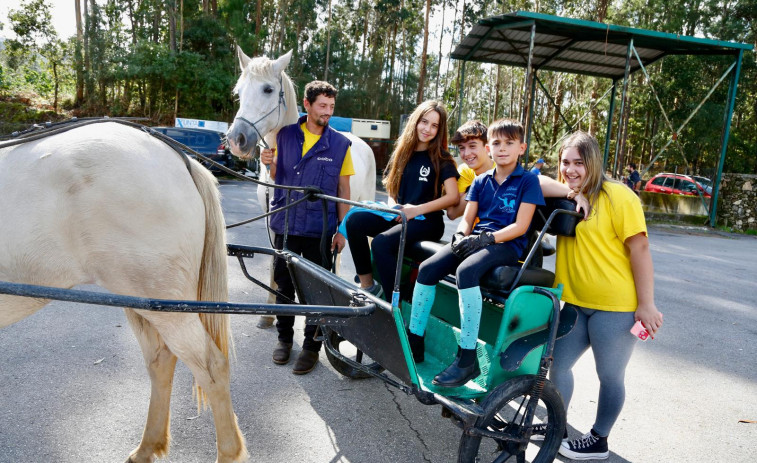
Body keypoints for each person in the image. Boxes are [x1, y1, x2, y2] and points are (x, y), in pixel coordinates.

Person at [543, 132, 664, 460]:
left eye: (578, 163)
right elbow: (531, 180)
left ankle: (598, 440)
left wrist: (646, 304)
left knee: (609, 375)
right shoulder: (566, 195)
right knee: (557, 365)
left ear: (593, 163)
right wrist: (569, 190)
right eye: (565, 162)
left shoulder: (618, 196)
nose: (570, 169)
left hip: (615, 307)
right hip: (576, 303)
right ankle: (557, 428)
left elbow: (639, 248)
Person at [406, 118, 544, 387]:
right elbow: (467, 219)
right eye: (496, 143)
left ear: (521, 147)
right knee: (427, 269)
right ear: (489, 149)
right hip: (478, 239)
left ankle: (467, 359)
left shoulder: (528, 182)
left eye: (509, 143)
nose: (502, 149)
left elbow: (521, 226)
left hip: (506, 245)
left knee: (466, 271)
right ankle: (415, 340)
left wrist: (486, 239)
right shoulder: (481, 181)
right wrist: (460, 236)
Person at [261, 80, 354, 375]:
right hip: (286, 224)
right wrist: (267, 162)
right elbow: (278, 174)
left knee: (315, 291)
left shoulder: (340, 144)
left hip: (320, 229)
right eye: (322, 106)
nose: (327, 112)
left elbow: (343, 188)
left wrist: (343, 230)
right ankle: (284, 341)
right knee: (284, 286)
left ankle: (311, 349)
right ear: (308, 105)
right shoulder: (285, 136)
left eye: (331, 107)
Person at [344, 100, 459, 301]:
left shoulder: (442, 158)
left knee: (381, 244)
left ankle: (392, 306)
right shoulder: (403, 153)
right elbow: (392, 190)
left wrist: (417, 210)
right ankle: (368, 287)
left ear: (439, 130)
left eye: (434, 126)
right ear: (415, 122)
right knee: (354, 222)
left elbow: (453, 197)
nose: (428, 129)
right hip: (400, 215)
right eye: (424, 122)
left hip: (428, 222)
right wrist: (392, 207)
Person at [446, 120, 495, 220]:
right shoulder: (465, 171)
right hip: (472, 232)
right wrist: (478, 188)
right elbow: (452, 213)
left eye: (472, 146)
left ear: (487, 147)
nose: (466, 153)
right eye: (462, 148)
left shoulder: (502, 170)